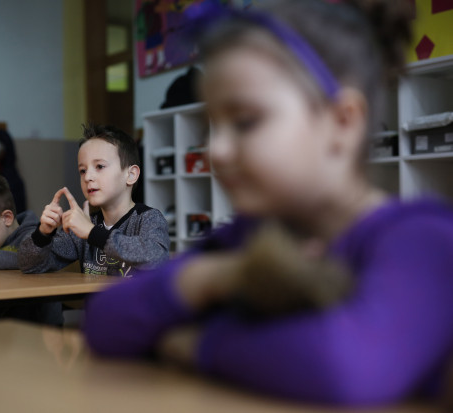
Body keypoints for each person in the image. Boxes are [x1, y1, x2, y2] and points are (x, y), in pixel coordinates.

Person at [83, 0, 453, 406]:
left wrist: (196, 344)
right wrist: (214, 276)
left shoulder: (424, 240)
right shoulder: (250, 235)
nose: (216, 151)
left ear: (342, 122)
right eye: (213, 125)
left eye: (245, 121)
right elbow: (104, 324)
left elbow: (344, 369)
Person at [19, 123, 170, 276]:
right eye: (82, 170)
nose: (88, 177)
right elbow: (29, 265)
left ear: (130, 175)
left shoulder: (148, 218)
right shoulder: (82, 228)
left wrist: (92, 233)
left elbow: (156, 259)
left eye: (99, 166)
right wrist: (43, 234)